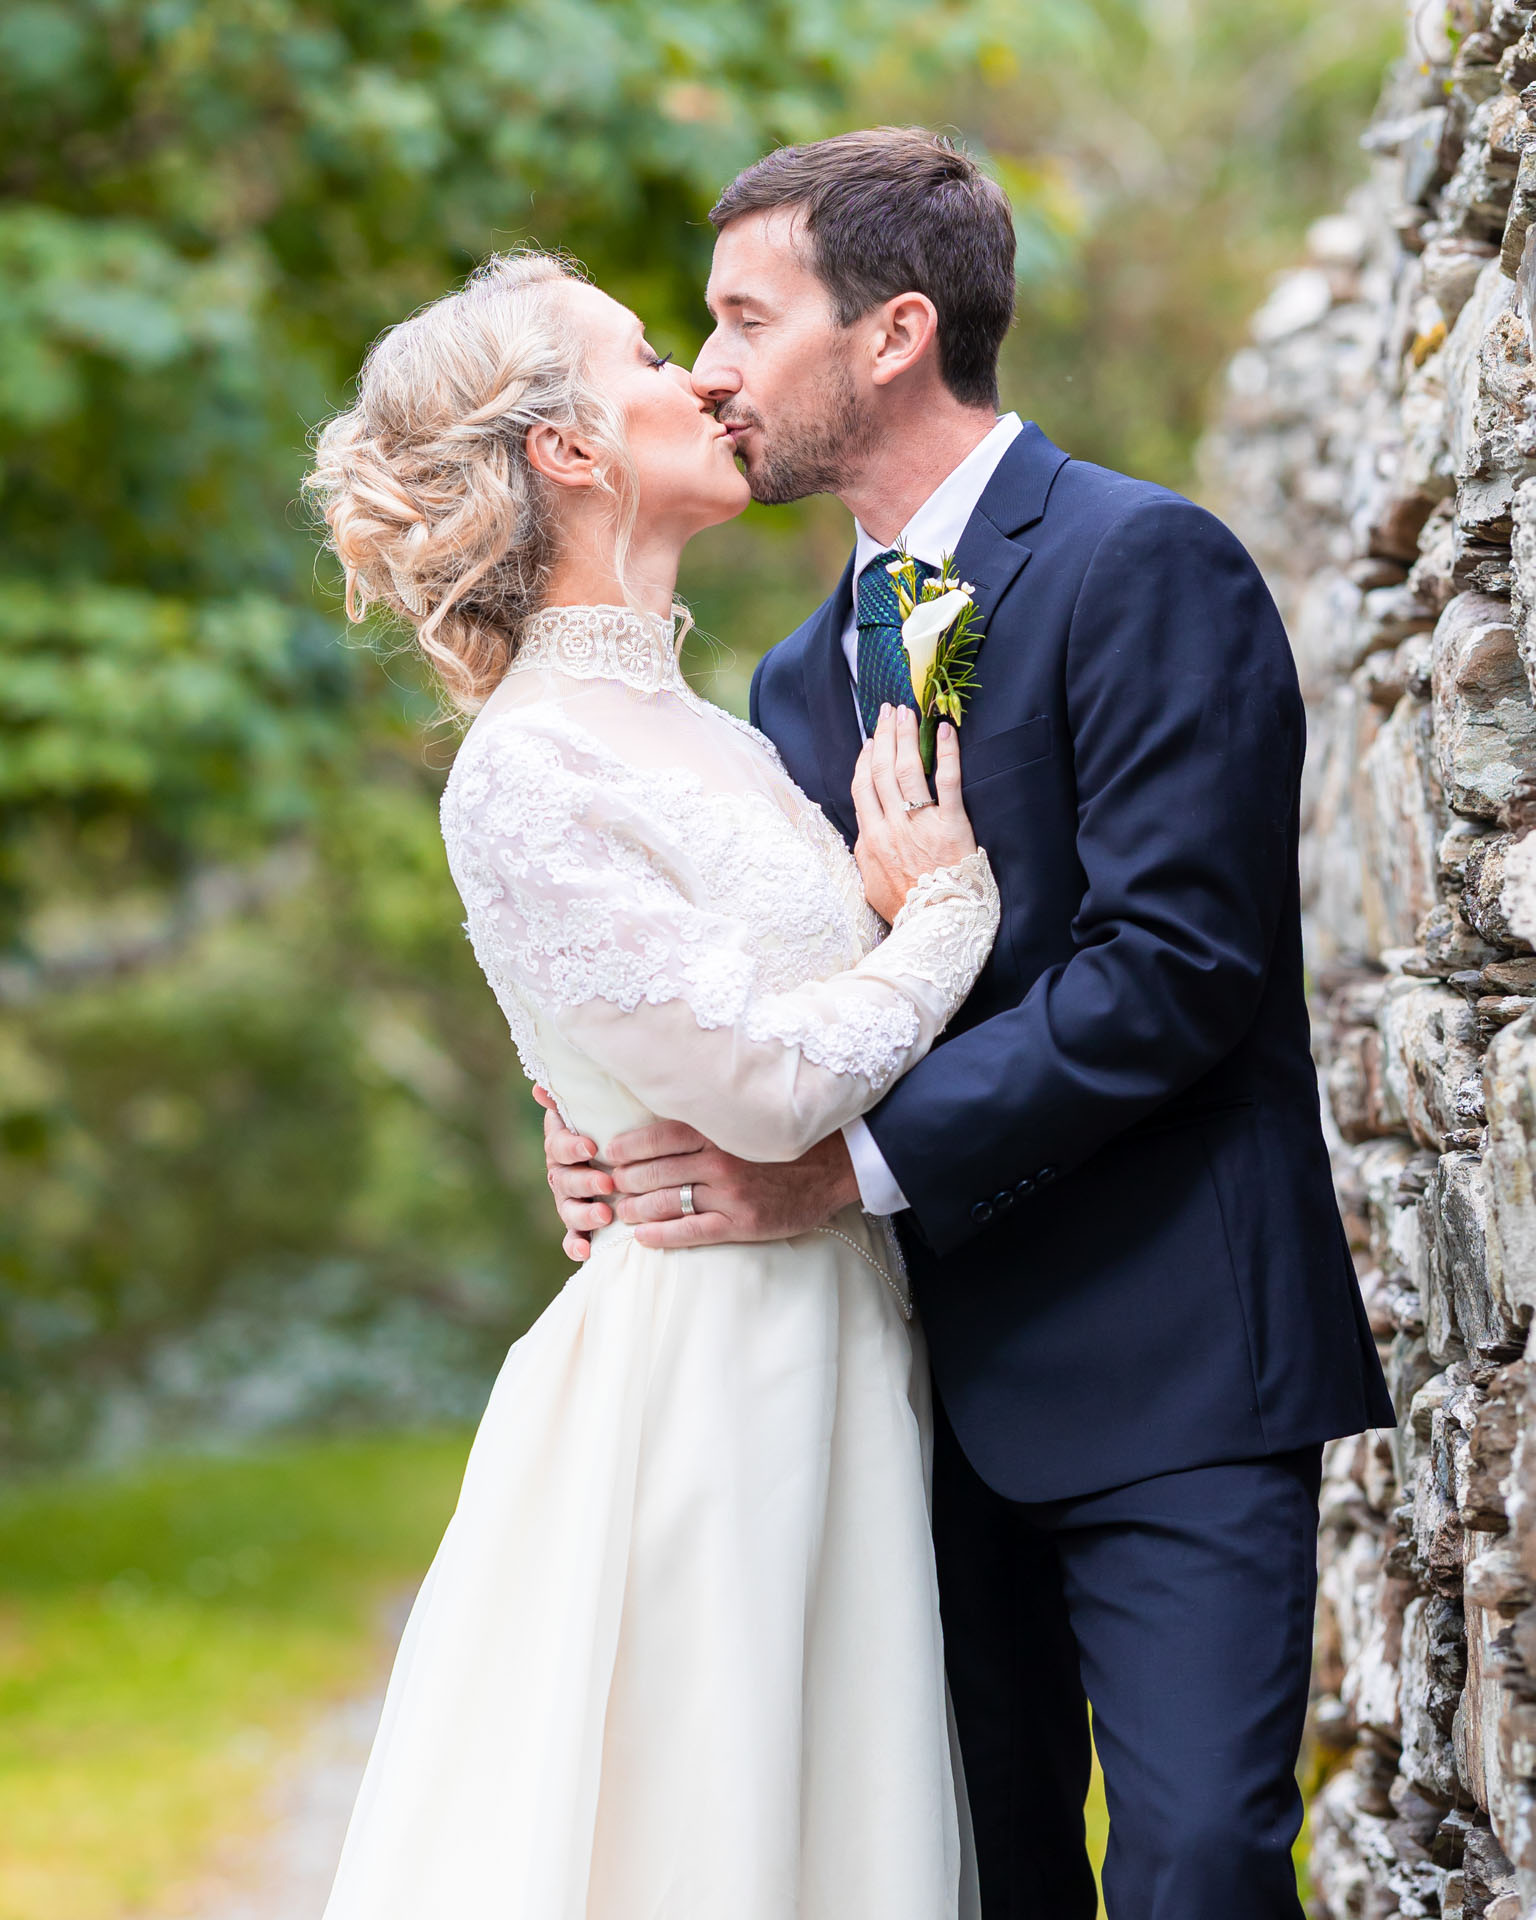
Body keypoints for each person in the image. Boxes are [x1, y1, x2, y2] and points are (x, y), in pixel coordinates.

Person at [543, 128, 1397, 1919]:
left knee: (1198, 1860)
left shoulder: (1146, 562)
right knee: (974, 1875)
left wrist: (841, 1172)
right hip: (906, 1396)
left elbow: (1178, 967)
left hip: (1177, 1357)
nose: (709, 369)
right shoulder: (791, 678)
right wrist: (609, 1116)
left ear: (894, 333)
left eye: (745, 319)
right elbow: (764, 992)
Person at [304, 249, 999, 1919]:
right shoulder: (527, 768)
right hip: (708, 1373)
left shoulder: (725, 734)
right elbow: (761, 1087)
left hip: (840, 1337)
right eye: (643, 354)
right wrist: (947, 917)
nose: (699, 374)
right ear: (565, 448)